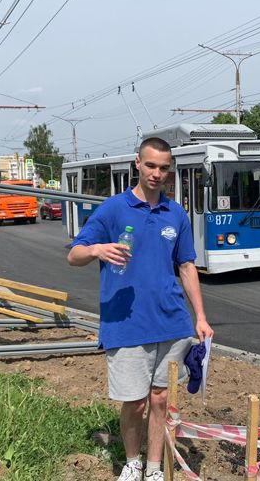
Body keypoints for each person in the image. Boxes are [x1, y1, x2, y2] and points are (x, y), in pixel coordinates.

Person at [67, 137, 214, 481]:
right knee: (134, 402)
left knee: (161, 400)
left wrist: (201, 318)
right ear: (137, 163)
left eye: (164, 168)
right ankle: (132, 461)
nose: (156, 173)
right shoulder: (113, 209)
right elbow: (73, 255)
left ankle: (153, 467)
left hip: (172, 322)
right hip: (127, 323)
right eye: (150, 165)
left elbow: (187, 266)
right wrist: (97, 250)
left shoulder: (175, 213)